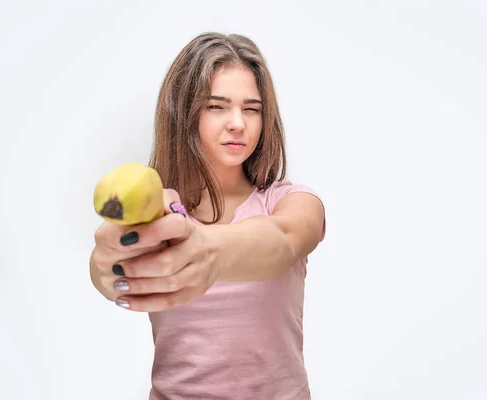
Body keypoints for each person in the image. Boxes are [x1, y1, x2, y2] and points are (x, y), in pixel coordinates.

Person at [89, 32, 326, 400]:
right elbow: (104, 268)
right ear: (185, 113)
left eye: (251, 108)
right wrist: (109, 267)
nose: (237, 123)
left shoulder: (293, 203)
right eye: (217, 106)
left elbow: (282, 239)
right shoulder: (159, 216)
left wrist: (205, 248)